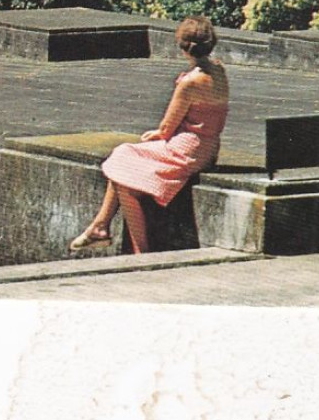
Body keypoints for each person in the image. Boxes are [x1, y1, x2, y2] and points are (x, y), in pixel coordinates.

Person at [70, 15, 229, 255]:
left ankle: (138, 249)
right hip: (209, 150)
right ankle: (100, 227)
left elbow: (167, 128)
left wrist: (154, 135)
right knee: (124, 168)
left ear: (184, 48)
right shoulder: (219, 71)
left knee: (123, 155)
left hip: (186, 150)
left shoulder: (190, 82)